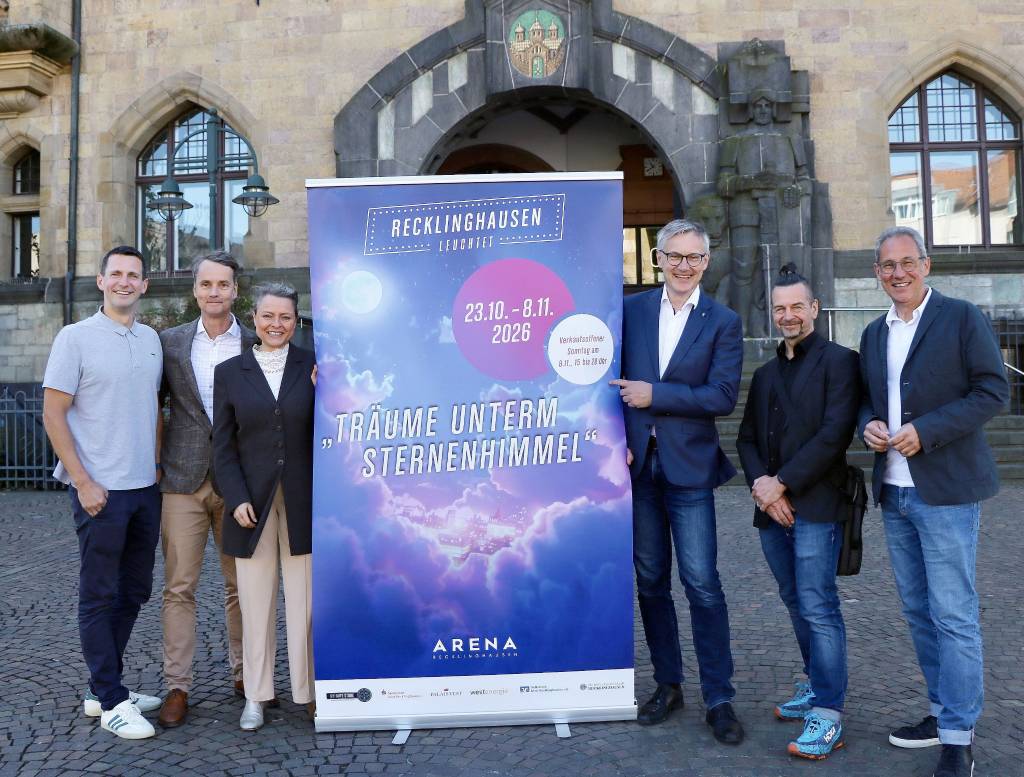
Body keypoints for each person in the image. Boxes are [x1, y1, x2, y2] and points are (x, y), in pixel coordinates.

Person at [858, 226, 1009, 777]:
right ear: (877, 273)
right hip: (895, 491)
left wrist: (928, 431)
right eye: (886, 266)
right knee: (921, 614)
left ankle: (959, 737)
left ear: (926, 265)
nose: (896, 273)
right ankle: (942, 713)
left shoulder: (961, 316)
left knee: (954, 614)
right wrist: (868, 426)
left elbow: (993, 391)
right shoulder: (874, 332)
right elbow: (868, 401)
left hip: (944, 490)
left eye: (906, 263)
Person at [610, 218, 745, 744]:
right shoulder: (630, 311)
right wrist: (613, 433)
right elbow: (608, 381)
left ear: (706, 262)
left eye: (694, 257)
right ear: (658, 258)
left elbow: (722, 396)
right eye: (675, 256)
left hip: (690, 471)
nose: (684, 265)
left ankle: (719, 697)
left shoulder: (723, 321)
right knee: (650, 582)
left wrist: (654, 396)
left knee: (702, 584)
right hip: (638, 468)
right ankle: (669, 684)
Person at [736, 263, 859, 759]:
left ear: (814, 309)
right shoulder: (765, 375)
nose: (788, 315)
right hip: (773, 509)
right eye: (780, 308)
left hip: (818, 505)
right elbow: (746, 440)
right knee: (793, 599)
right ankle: (815, 682)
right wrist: (764, 490)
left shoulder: (840, 362)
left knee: (819, 605)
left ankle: (829, 711)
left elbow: (834, 436)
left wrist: (781, 483)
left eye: (796, 307)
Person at [42, 246, 163, 740]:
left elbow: (153, 408)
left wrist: (155, 466)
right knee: (98, 594)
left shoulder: (152, 338)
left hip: (144, 488)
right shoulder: (75, 338)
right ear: (100, 281)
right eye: (116, 274)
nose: (125, 282)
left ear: (144, 285)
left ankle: (102, 686)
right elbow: (53, 413)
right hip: (100, 491)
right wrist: (84, 480)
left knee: (134, 590)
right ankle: (111, 700)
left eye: (133, 275)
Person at [156, 251, 259, 728]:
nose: (214, 292)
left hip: (240, 483)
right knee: (179, 588)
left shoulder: (259, 342)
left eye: (224, 284)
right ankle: (178, 685)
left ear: (236, 290)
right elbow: (150, 405)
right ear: (195, 290)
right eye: (206, 284)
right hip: (182, 480)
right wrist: (155, 464)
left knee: (243, 586)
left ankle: (246, 676)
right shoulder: (170, 344)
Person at [212, 282, 316, 731]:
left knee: (306, 601)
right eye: (269, 316)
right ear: (254, 318)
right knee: (254, 602)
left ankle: (311, 693)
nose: (277, 324)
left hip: (303, 499)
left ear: (297, 321)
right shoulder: (231, 372)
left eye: (286, 317)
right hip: (249, 504)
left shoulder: (314, 366)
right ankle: (256, 694)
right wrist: (234, 497)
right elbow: (222, 445)